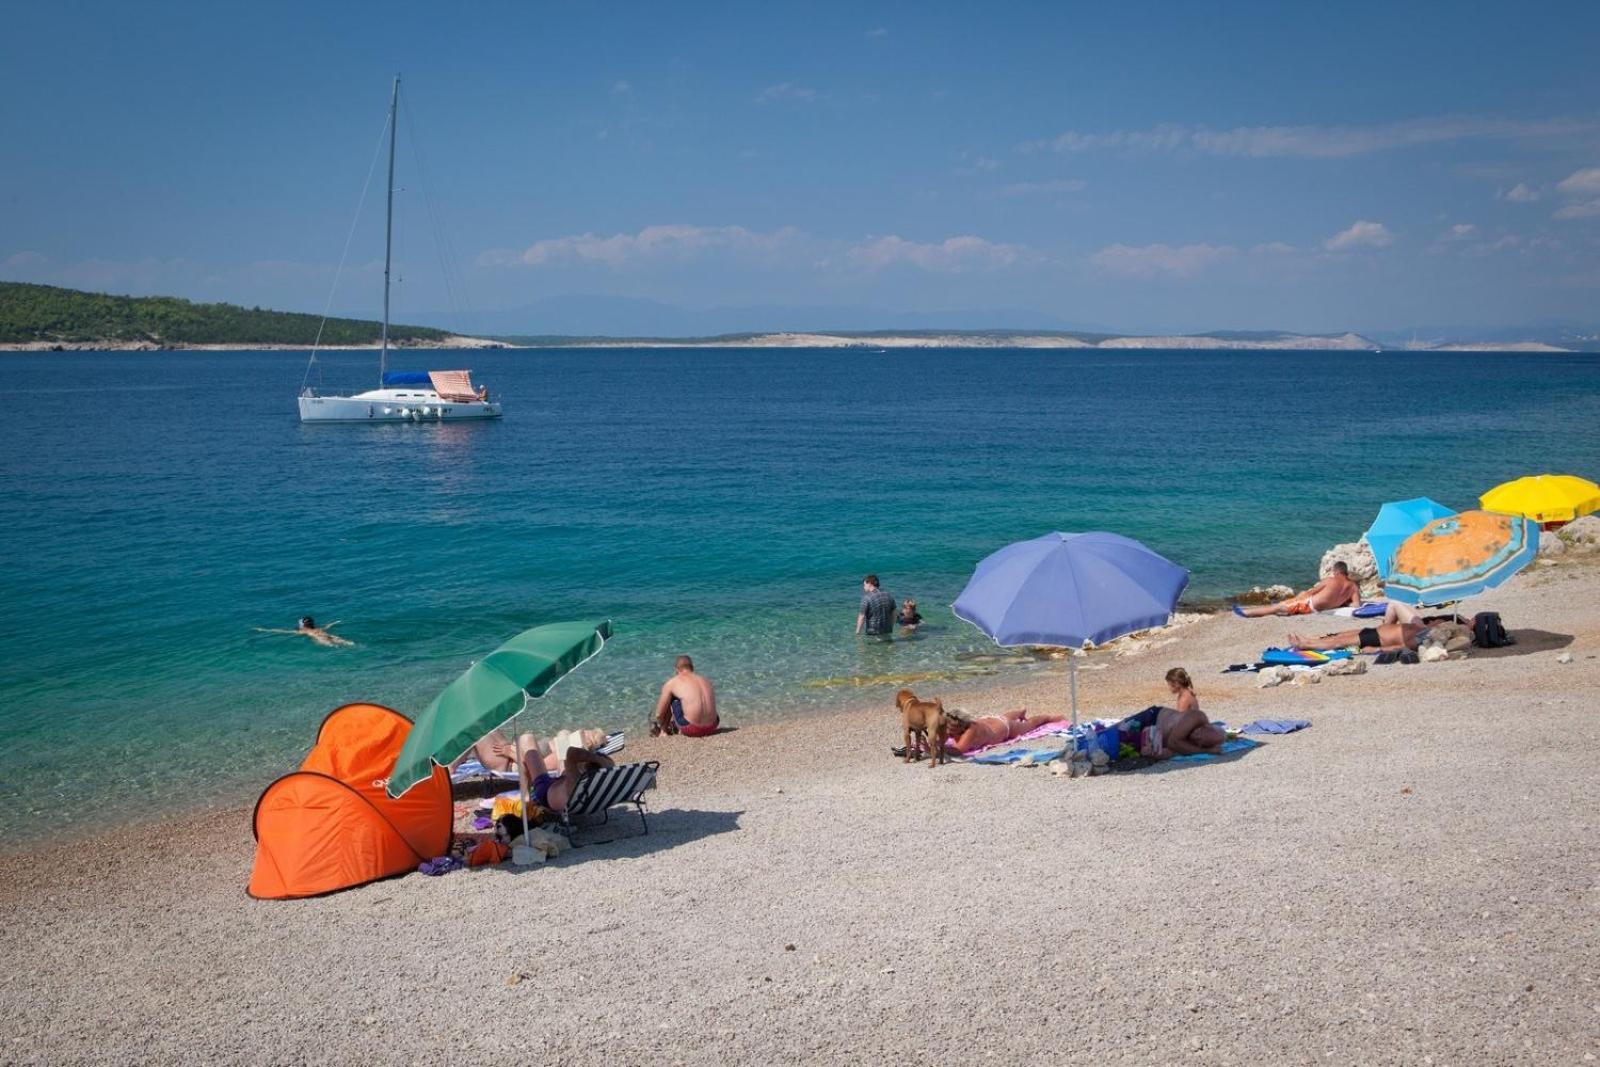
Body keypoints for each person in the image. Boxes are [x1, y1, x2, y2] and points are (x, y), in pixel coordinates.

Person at [1140, 667, 1226, 759]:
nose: (1168, 688)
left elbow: (1180, 721)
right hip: (1190, 726)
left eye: (1169, 684)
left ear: (1176, 684)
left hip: (1187, 728)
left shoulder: (1184, 698)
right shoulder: (1188, 692)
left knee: (1172, 748)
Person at [1233, 562, 1361, 618]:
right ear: (1346, 572)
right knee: (1290, 603)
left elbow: (1311, 593)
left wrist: (1297, 598)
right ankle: (1287, 607)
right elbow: (1356, 605)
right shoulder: (1353, 587)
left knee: (1278, 606)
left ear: (1336, 571)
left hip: (1308, 605)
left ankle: (1246, 613)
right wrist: (1343, 603)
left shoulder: (1330, 580)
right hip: (1318, 608)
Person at [943, 708, 1069, 754]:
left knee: (1029, 725)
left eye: (951, 729)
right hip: (990, 720)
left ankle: (1048, 717)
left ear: (961, 726)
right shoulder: (959, 725)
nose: (948, 732)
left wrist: (934, 748)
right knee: (1004, 716)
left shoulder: (970, 731)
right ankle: (1020, 711)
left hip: (1004, 727)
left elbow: (957, 751)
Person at [651, 655, 719, 737]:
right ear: (692, 668)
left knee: (672, 697)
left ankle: (663, 731)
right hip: (713, 726)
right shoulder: (705, 680)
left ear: (676, 669)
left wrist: (661, 723)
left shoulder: (673, 682)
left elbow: (659, 714)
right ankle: (676, 726)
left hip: (692, 728)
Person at [1288, 621, 1431, 653]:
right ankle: (1311, 640)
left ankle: (1305, 645)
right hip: (1374, 631)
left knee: (1339, 642)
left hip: (1376, 639)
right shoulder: (1426, 629)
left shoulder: (1424, 636)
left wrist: (1377, 650)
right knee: (1342, 635)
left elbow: (1403, 647)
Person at [255, 615, 353, 648]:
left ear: (303, 625)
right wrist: (335, 622)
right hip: (326, 634)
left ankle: (337, 647)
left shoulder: (303, 632)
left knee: (333, 645)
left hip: (319, 637)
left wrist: (264, 629)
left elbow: (282, 631)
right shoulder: (318, 628)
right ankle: (352, 644)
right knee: (346, 642)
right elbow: (327, 626)